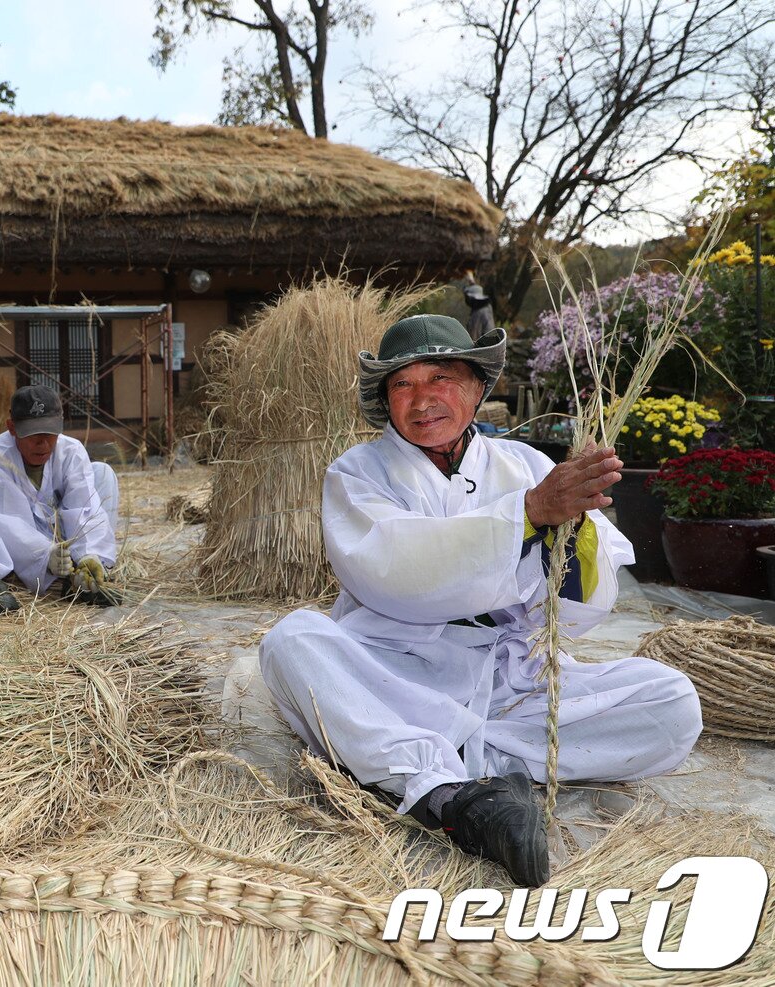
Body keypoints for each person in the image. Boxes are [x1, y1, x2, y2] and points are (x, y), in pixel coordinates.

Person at [258, 314, 701, 887]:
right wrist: (529, 514)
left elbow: (580, 606)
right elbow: (396, 568)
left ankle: (449, 771)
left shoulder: (528, 466)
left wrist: (573, 529)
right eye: (402, 384)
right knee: (291, 641)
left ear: (475, 386)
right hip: (392, 669)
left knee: (671, 702)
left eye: (439, 377)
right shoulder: (357, 472)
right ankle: (450, 795)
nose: (422, 400)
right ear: (386, 400)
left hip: (509, 678)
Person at [0, 384, 120, 616]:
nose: (43, 443)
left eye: (50, 433)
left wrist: (87, 553)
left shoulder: (72, 451)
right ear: (12, 428)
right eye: (32, 434)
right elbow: (8, 523)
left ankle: (88, 579)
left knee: (102, 472)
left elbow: (83, 507)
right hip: (10, 545)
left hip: (64, 542)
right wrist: (45, 554)